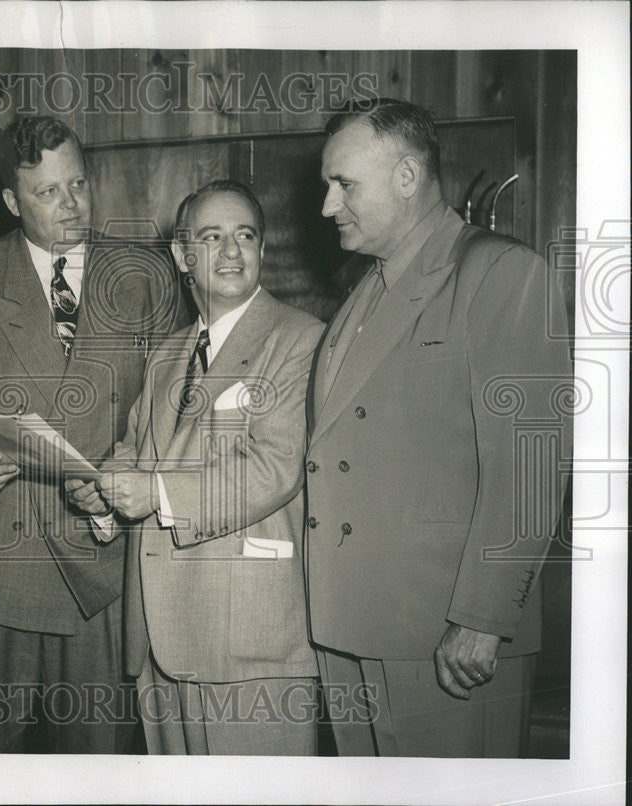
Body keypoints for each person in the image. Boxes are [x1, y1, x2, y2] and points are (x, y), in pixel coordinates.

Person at [0, 115, 185, 753]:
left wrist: (125, 468)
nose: (71, 206)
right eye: (48, 193)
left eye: (79, 185)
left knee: (97, 768)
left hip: (103, 564)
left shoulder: (147, 276)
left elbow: (171, 404)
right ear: (11, 202)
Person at [306, 99, 571, 757]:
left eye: (345, 185)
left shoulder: (501, 274)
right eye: (326, 185)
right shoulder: (364, 290)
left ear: (406, 176)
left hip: (441, 636)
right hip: (351, 624)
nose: (327, 206)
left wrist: (482, 620)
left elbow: (531, 464)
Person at [67, 180, 325, 755]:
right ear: (183, 256)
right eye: (212, 237)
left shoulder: (301, 340)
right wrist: (102, 491)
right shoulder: (167, 352)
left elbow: (275, 468)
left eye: (245, 236)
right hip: (158, 638)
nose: (232, 252)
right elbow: (137, 450)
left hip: (248, 639)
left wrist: (154, 492)